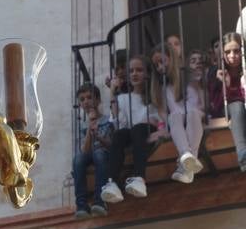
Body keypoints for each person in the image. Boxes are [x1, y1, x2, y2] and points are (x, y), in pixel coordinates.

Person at [101, 54, 159, 203]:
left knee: (139, 128)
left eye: (139, 70)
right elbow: (120, 124)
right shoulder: (123, 98)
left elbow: (159, 119)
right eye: (131, 70)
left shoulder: (155, 96)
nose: (134, 73)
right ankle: (112, 182)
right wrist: (113, 93)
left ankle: (139, 177)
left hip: (148, 134)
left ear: (147, 73)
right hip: (133, 135)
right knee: (120, 134)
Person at [151, 42, 203, 184]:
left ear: (172, 58)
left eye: (163, 61)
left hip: (193, 116)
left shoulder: (187, 77)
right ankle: (186, 155)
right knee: (174, 116)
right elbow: (162, 111)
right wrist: (165, 126)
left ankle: (185, 164)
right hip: (176, 121)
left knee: (192, 113)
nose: (160, 67)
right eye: (156, 65)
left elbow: (197, 102)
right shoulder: (161, 87)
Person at [72, 85, 113, 219]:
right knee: (78, 159)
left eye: (89, 97)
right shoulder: (82, 125)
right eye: (82, 99)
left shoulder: (108, 120)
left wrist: (99, 137)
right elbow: (84, 150)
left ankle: (100, 201)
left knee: (99, 154)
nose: (86, 102)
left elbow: (111, 144)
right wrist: (90, 130)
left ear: (98, 100)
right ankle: (81, 205)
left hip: (103, 152)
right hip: (90, 152)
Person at [209, 32, 246, 170]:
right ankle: (243, 154)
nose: (232, 55)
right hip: (226, 112)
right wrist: (226, 85)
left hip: (242, 110)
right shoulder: (216, 72)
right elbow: (216, 106)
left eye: (236, 51)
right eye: (228, 51)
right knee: (237, 105)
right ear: (222, 54)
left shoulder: (244, 70)